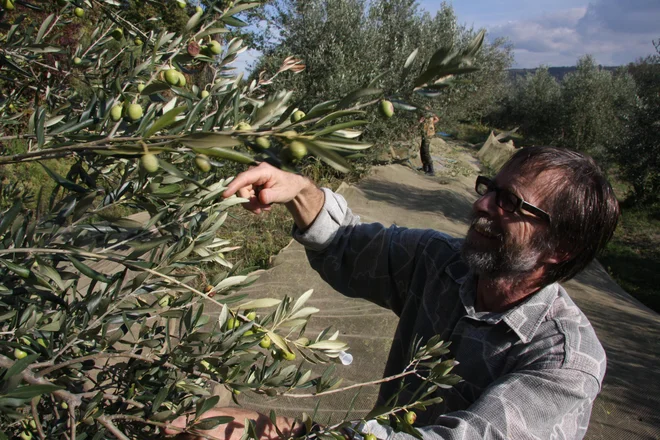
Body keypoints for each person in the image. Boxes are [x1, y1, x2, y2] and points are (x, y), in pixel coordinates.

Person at [168, 146, 619, 439]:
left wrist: (282, 430)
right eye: (490, 190)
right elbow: (347, 245)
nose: (481, 205)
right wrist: (299, 191)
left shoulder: (564, 363)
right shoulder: (444, 265)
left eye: (510, 203)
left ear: (561, 247)